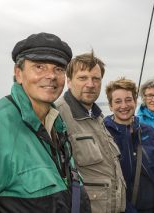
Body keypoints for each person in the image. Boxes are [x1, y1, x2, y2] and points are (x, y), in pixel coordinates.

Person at [0, 32, 87, 212]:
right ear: (18, 74)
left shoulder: (56, 123)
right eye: (39, 66)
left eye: (59, 69)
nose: (51, 76)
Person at [56, 51, 126, 213]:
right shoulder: (58, 115)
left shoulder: (98, 117)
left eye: (96, 79)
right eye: (82, 78)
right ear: (69, 81)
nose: (90, 84)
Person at [103, 77, 154, 213]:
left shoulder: (149, 132)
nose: (124, 106)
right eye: (117, 101)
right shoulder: (103, 134)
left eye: (128, 100)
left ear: (135, 101)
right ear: (110, 105)